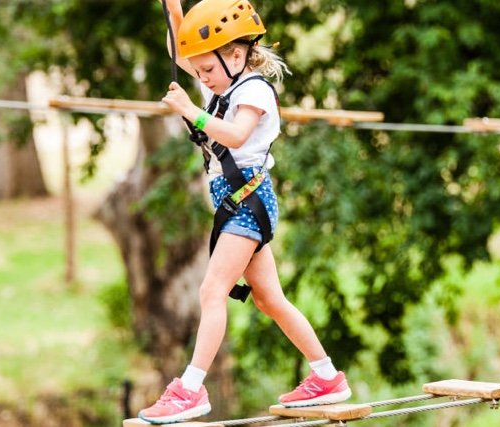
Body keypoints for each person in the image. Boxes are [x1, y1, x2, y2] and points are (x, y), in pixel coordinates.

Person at [138, 0, 351, 423]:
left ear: (235, 55)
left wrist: (190, 111)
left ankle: (191, 389)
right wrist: (173, 7)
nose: (201, 78)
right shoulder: (222, 85)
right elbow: (181, 49)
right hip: (237, 201)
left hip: (248, 201)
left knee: (211, 291)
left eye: (208, 71)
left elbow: (235, 136)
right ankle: (327, 376)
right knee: (269, 299)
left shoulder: (252, 90)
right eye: (198, 74)